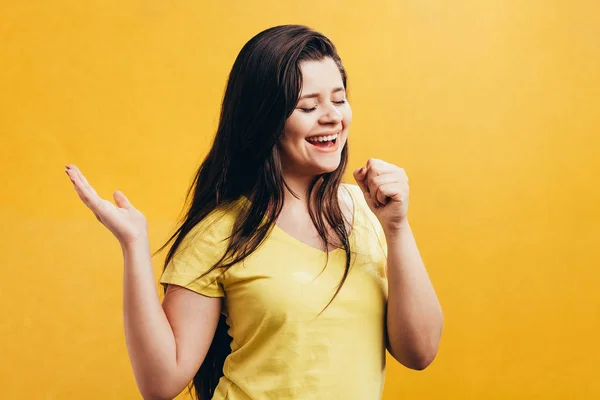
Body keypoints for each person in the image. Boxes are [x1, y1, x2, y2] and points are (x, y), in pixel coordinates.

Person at [65, 24, 443, 400]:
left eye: (339, 99)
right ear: (265, 119)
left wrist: (397, 228)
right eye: (308, 106)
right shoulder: (220, 232)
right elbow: (161, 382)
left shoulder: (368, 212)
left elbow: (420, 351)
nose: (331, 117)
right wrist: (133, 244)